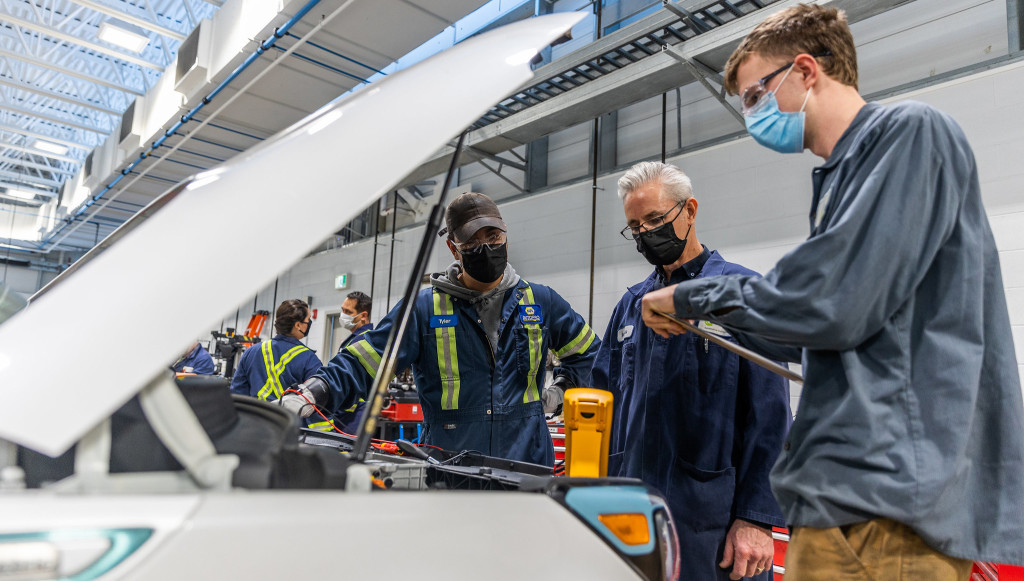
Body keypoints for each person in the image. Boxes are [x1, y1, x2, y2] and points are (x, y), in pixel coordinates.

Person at [640, 5, 1024, 580]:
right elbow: (817, 329)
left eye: (753, 96)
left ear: (804, 70)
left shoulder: (909, 134)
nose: (751, 117)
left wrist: (692, 298)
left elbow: (831, 303)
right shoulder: (844, 178)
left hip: (886, 509)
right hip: (846, 505)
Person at [279, 192, 600, 465]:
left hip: (527, 464)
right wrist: (313, 392)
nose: (487, 248)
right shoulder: (424, 308)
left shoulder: (540, 301)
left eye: (494, 237)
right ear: (453, 248)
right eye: (473, 242)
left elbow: (591, 355)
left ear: (505, 235)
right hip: (450, 464)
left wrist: (561, 391)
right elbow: (364, 361)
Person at [592, 161, 790, 581]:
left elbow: (771, 418)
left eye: (655, 219)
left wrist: (755, 518)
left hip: (713, 526)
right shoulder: (630, 307)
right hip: (634, 516)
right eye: (635, 227)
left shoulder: (741, 295)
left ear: (690, 210)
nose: (646, 234)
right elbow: (602, 406)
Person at [230, 299, 332, 431]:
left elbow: (237, 395)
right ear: (298, 325)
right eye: (308, 319)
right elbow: (316, 404)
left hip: (253, 429)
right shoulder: (309, 359)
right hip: (289, 433)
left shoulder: (251, 351)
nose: (309, 324)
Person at [335, 290, 374, 431]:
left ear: (363, 316)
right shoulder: (354, 339)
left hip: (354, 414)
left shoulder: (364, 340)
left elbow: (353, 381)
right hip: (347, 412)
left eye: (348, 312)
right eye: (342, 310)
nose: (343, 315)